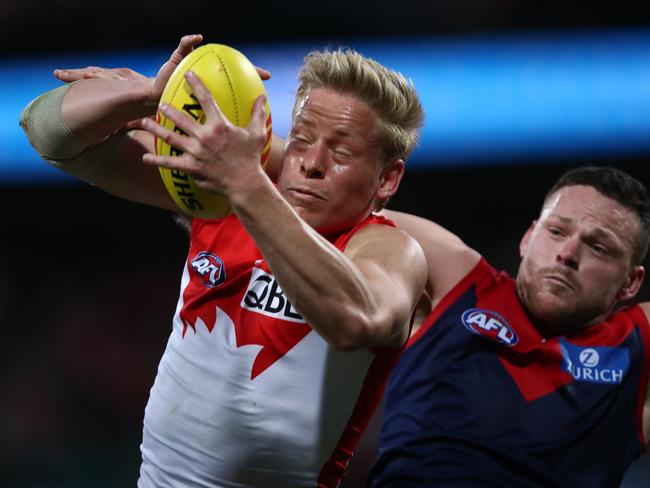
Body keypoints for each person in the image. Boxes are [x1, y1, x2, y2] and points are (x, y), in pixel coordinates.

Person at [19, 34, 428, 487]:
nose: (312, 162)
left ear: (388, 179)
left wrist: (244, 181)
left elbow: (356, 319)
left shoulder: (389, 248)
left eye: (341, 152)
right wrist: (149, 96)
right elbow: (49, 134)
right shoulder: (220, 199)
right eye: (303, 138)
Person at [368, 165, 650, 487]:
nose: (568, 254)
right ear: (528, 237)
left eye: (599, 247)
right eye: (556, 231)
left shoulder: (634, 345)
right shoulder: (458, 280)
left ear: (630, 282)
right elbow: (344, 214)